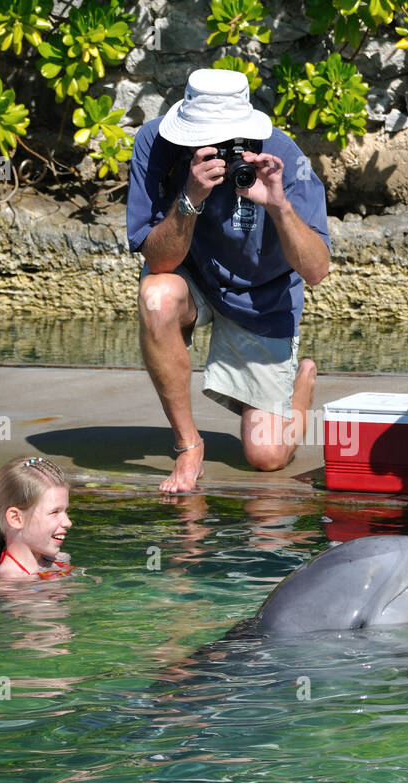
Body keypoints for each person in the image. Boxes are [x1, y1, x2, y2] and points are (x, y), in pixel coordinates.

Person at [127, 67, 331, 493]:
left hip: (262, 296)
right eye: (204, 137)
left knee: (267, 456)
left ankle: (301, 379)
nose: (218, 148)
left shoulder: (285, 156)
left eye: (227, 139)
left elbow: (316, 271)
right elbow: (159, 261)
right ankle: (188, 445)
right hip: (193, 275)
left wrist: (278, 204)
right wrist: (190, 197)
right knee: (156, 297)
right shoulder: (155, 143)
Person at [0, 456, 74, 580]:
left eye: (65, 511)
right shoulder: (11, 584)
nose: (68, 522)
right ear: (16, 518)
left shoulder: (57, 559)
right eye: (55, 512)